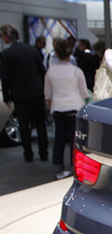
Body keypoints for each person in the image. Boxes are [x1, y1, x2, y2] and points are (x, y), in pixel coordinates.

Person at [0, 24, 49, 162]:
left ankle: (28, 154)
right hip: (36, 91)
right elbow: (41, 70)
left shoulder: (6, 54)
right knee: (40, 124)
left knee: (23, 125)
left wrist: (6, 95)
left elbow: (5, 77)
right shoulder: (32, 49)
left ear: (7, 36)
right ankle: (44, 153)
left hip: (19, 94)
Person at [44, 38, 90, 179]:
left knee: (58, 140)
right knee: (74, 141)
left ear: (56, 53)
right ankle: (74, 167)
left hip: (58, 109)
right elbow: (84, 93)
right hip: (74, 108)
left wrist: (53, 105)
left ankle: (58, 169)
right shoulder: (76, 71)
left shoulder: (51, 70)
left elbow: (47, 94)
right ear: (70, 53)